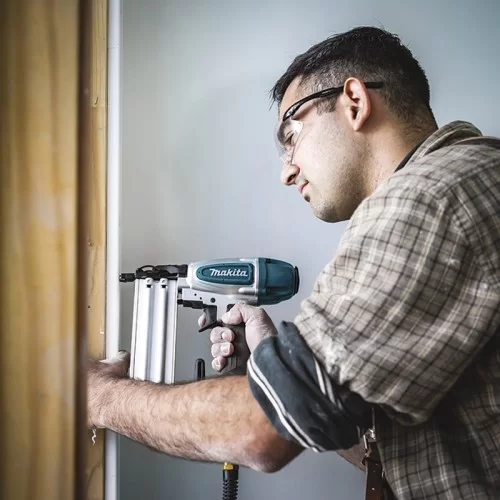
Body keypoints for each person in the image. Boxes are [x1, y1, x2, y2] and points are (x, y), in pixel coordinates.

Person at [88, 26, 500, 499]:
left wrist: (99, 396)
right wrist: (270, 364)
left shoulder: (430, 199)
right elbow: (407, 445)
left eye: (291, 135)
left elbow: (262, 434)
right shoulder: (467, 182)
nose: (287, 170)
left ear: (353, 102)